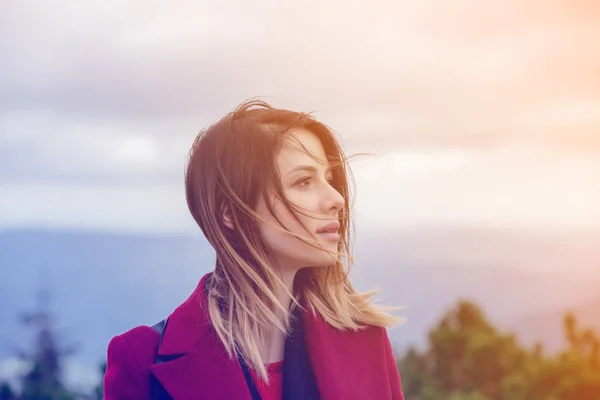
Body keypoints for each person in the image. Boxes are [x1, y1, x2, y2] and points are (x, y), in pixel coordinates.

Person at [103, 99, 405, 400]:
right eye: (304, 181)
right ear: (231, 212)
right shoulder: (140, 361)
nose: (336, 199)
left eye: (328, 179)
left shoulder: (366, 340)